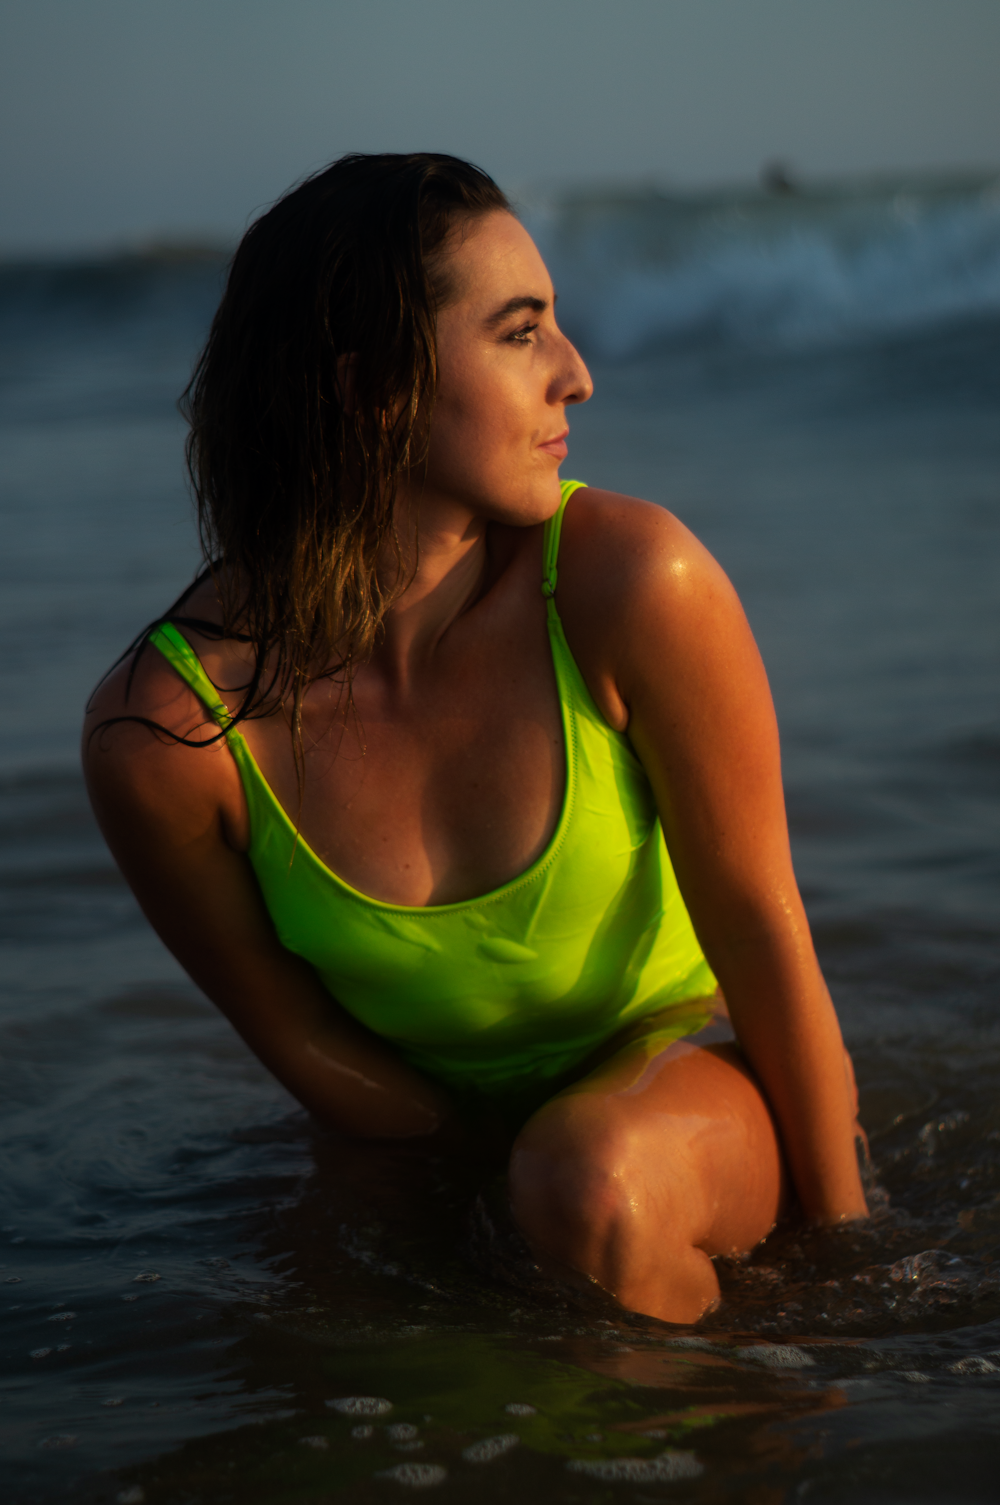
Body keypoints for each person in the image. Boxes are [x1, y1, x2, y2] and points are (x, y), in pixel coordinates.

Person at [83, 153, 868, 1325]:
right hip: (422, 1126)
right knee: (317, 1375)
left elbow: (763, 933)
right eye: (519, 333)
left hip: (688, 1089)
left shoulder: (626, 584)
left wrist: (854, 1252)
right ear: (371, 390)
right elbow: (301, 1042)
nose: (578, 376)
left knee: (587, 1182)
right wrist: (472, 1193)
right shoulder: (171, 736)